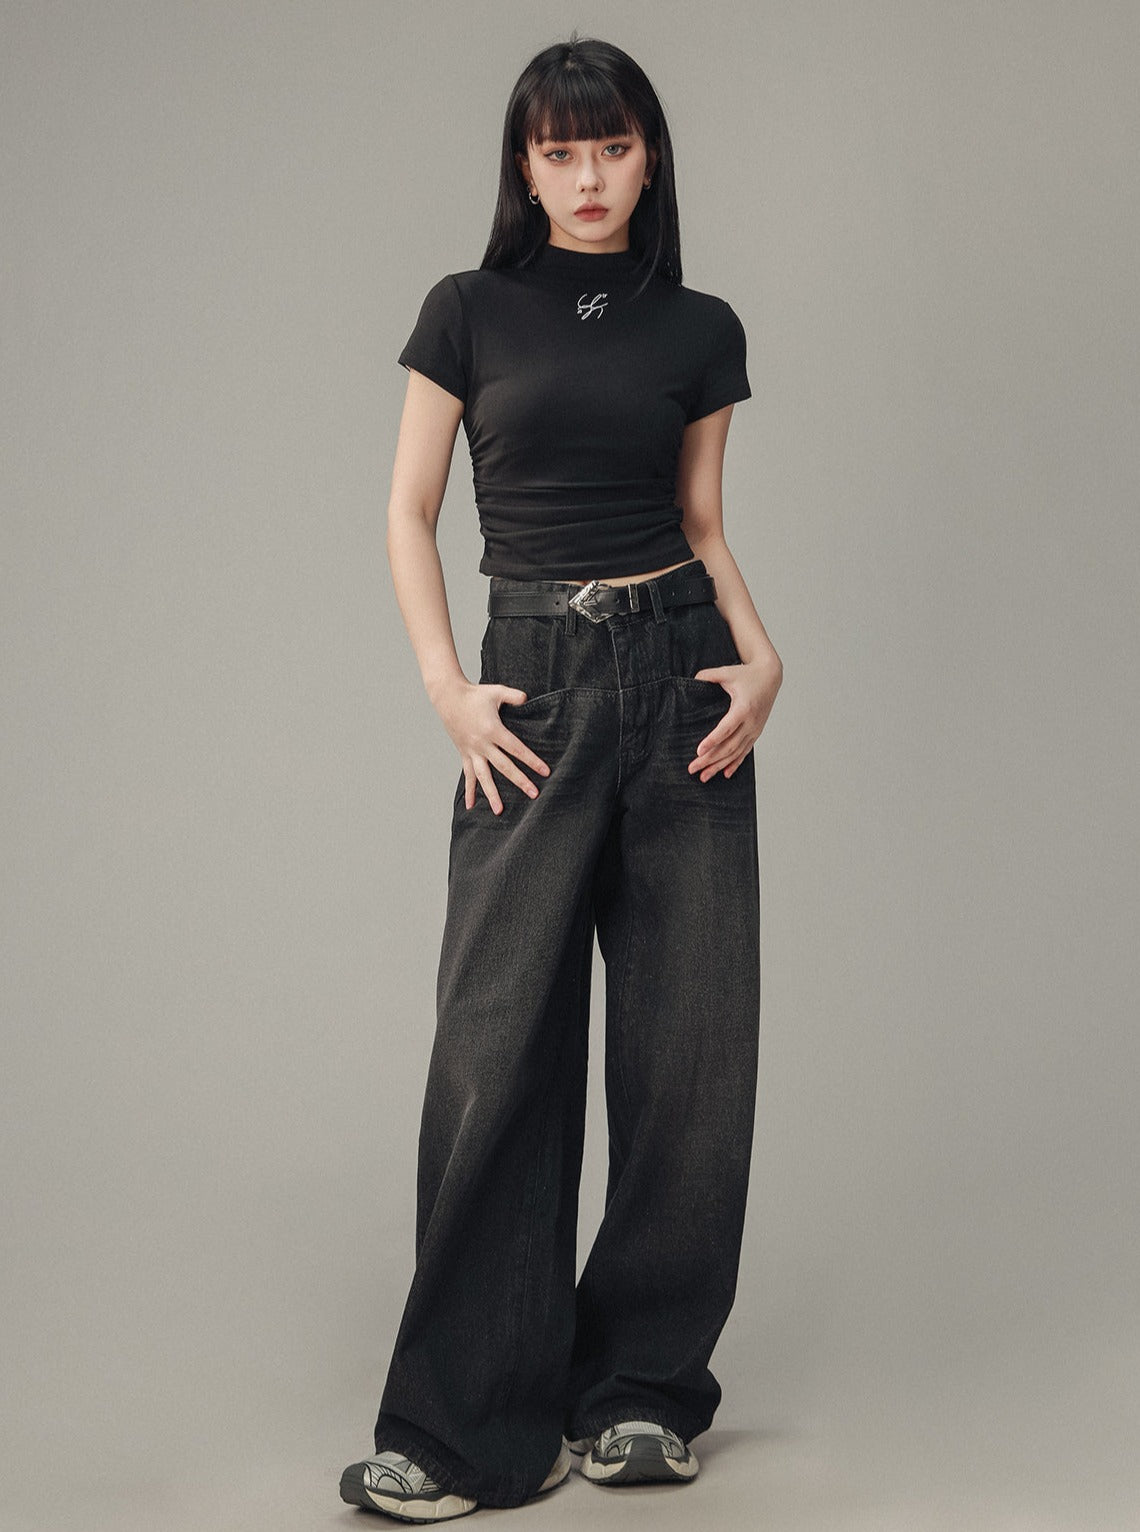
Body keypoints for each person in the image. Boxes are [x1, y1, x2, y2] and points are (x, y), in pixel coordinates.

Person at [339, 31, 783, 1523]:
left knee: (692, 1056)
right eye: (558, 151)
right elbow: (408, 511)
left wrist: (764, 659)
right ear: (524, 170)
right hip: (530, 685)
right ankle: (471, 1424)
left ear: (649, 159)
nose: (587, 177)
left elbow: (701, 524)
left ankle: (642, 1393)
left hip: (683, 681)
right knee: (497, 1053)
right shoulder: (467, 311)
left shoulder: (699, 327)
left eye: (611, 147)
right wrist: (446, 689)